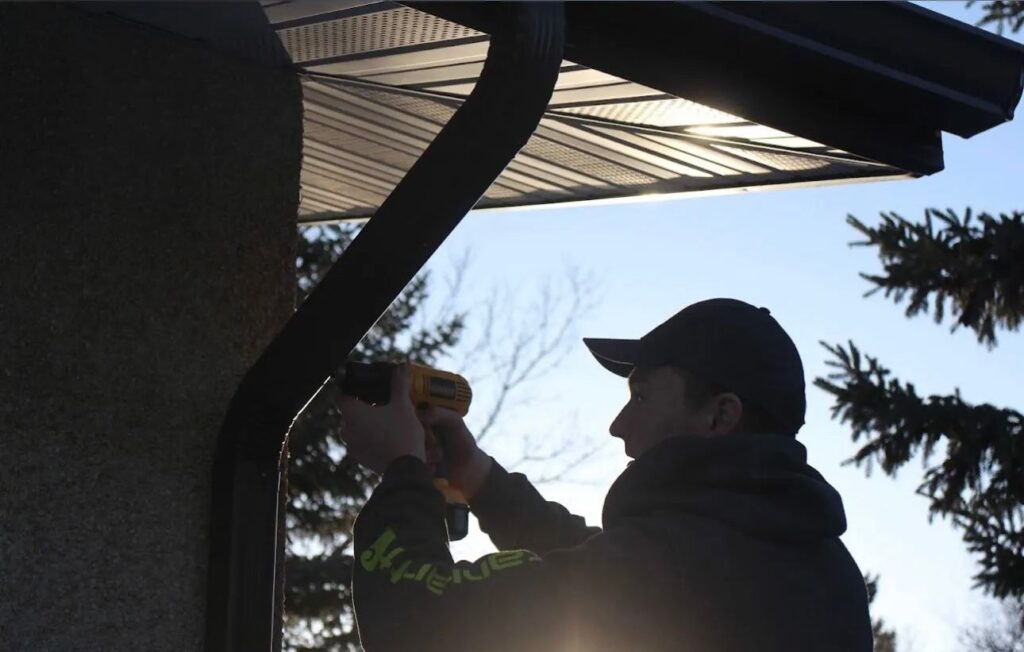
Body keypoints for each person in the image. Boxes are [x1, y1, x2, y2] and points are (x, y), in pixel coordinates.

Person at [336, 297, 874, 652]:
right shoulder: (816, 570)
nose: (619, 426)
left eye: (640, 396)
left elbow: (418, 621)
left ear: (720, 415)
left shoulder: (674, 566)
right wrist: (479, 480)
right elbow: (606, 563)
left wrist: (402, 471)